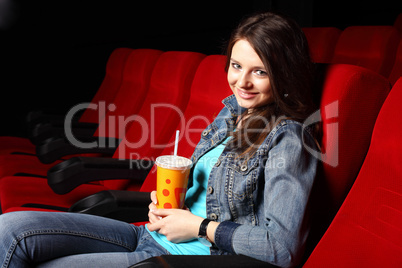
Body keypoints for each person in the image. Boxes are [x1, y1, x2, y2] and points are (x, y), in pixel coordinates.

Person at [0, 11, 319, 268]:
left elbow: (282, 249)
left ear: (284, 74)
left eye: (260, 72)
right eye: (236, 66)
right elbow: (204, 194)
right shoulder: (232, 112)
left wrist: (196, 227)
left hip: (185, 257)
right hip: (149, 233)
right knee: (10, 230)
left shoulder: (288, 138)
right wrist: (165, 205)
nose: (242, 82)